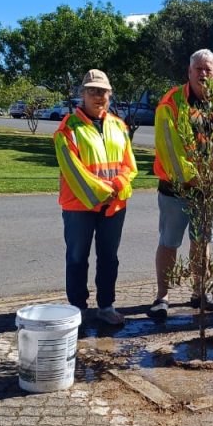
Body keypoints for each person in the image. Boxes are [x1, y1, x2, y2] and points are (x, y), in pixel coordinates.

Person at [148, 49, 213, 321]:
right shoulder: (172, 102)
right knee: (169, 242)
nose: (203, 73)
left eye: (208, 69)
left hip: (207, 190)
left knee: (202, 242)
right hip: (175, 188)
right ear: (189, 72)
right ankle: (162, 296)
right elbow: (169, 148)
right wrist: (193, 177)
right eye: (198, 69)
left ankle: (200, 292)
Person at [54, 69, 137, 325]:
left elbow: (129, 164)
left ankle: (106, 306)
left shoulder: (119, 125)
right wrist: (105, 192)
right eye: (92, 91)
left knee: (109, 257)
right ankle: (77, 308)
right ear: (83, 94)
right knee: (78, 257)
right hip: (80, 205)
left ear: (109, 94)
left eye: (102, 91)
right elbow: (74, 171)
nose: (97, 96)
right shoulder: (69, 128)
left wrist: (118, 185)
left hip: (114, 206)